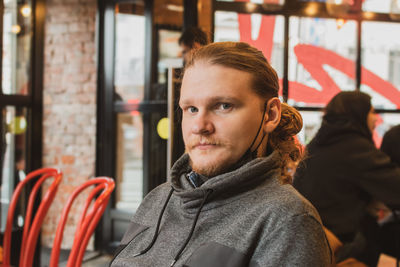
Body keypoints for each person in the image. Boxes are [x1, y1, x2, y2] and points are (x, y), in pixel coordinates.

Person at [109, 42, 331, 267]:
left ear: (270, 114)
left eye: (224, 106)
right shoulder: (158, 199)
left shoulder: (287, 222)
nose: (200, 126)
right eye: (191, 109)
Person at [293, 91, 400, 266]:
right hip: (341, 245)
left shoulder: (320, 143)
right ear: (359, 114)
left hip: (309, 239)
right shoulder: (354, 148)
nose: (376, 119)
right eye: (372, 112)